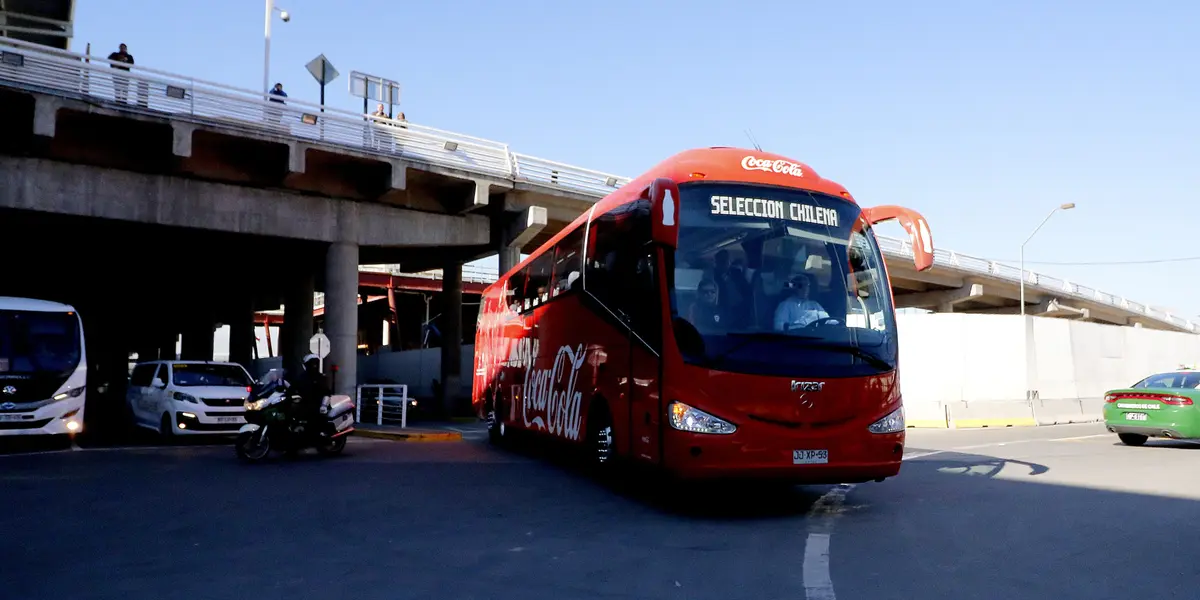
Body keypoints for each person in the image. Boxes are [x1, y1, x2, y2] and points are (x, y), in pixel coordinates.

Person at [288, 353, 330, 426]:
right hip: (304, 408)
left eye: (315, 363)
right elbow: (291, 389)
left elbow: (326, 393)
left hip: (317, 408)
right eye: (312, 363)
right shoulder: (301, 378)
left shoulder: (320, 378)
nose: (314, 365)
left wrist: (324, 405)